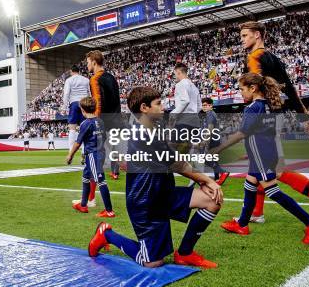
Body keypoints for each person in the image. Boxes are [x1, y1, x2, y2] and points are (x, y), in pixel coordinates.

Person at [88, 86, 223, 268]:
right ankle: (107, 235)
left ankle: (185, 253)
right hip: (145, 203)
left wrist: (203, 180)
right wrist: (206, 180)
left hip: (163, 194)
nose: (163, 107)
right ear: (144, 108)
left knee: (212, 200)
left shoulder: (153, 128)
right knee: (152, 262)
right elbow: (175, 163)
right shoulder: (144, 134)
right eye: (158, 104)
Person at [240, 21, 309, 231]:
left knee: (274, 171)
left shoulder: (254, 58)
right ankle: (257, 212)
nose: (242, 39)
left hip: (264, 121)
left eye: (245, 35)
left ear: (257, 35)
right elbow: (290, 90)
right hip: (273, 117)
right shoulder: (273, 58)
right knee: (258, 168)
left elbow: (258, 93)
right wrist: (303, 118)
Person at [219, 73, 309, 244]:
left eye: (241, 89)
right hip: (265, 153)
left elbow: (242, 133)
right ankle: (242, 224)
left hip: (261, 155)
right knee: (250, 183)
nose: (240, 93)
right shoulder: (268, 105)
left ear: (253, 88)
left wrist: (218, 148)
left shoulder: (253, 108)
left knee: (272, 191)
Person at [66, 96, 115, 218]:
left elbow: (78, 143)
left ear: (82, 110)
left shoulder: (85, 124)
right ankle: (83, 205)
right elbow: (104, 138)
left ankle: (109, 211)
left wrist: (70, 155)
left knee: (100, 180)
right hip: (99, 153)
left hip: (93, 155)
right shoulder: (100, 121)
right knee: (86, 177)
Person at [87, 50, 122, 182]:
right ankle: (115, 173)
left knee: (98, 148)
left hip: (104, 119)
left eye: (88, 62)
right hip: (116, 118)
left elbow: (98, 103)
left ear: (94, 62)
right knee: (114, 147)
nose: (87, 65)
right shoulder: (111, 77)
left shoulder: (95, 79)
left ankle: (97, 174)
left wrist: (95, 121)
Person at [63, 64, 90, 154]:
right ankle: (84, 149)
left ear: (71, 71)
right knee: (84, 127)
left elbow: (66, 94)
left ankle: (71, 150)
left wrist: (64, 107)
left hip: (74, 103)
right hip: (84, 103)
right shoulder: (86, 80)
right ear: (79, 71)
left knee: (72, 128)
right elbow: (89, 93)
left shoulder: (69, 80)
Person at [201, 98, 228, 184]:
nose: (204, 107)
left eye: (205, 105)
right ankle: (217, 178)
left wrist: (205, 141)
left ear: (211, 105)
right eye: (203, 105)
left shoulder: (210, 114)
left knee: (205, 158)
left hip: (212, 140)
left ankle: (223, 172)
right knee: (214, 159)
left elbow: (210, 129)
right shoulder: (211, 114)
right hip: (215, 139)